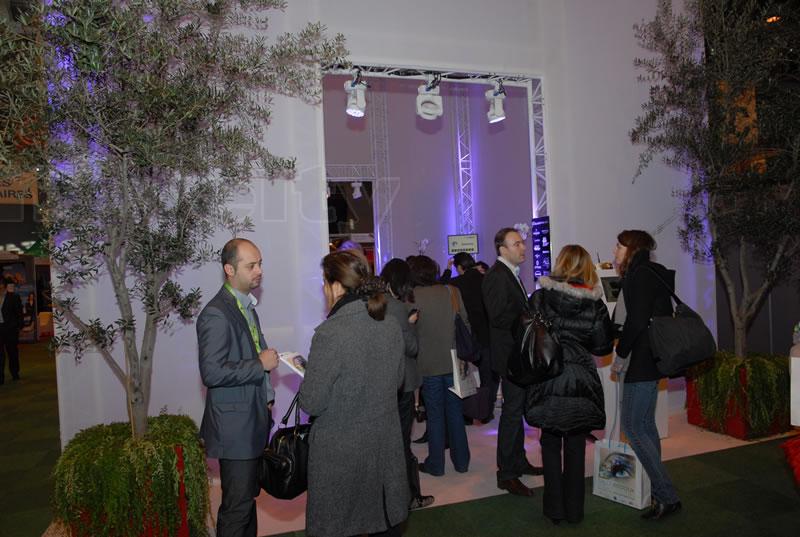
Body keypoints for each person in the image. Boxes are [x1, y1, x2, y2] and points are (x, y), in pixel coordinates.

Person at [300, 251, 409, 537]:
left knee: (338, 524)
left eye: (325, 283)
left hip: (341, 454)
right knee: (381, 521)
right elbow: (398, 381)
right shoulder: (390, 324)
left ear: (336, 286)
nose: (324, 291)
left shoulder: (331, 333)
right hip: (382, 446)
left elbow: (312, 402)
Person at [197, 238, 279, 537]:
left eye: (260, 264)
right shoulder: (217, 313)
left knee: (246, 502)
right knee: (237, 507)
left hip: (251, 420)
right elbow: (212, 372)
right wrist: (260, 364)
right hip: (236, 428)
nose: (259, 271)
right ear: (229, 270)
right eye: (251, 265)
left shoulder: (244, 306)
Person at [526, 245, 613, 524]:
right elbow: (602, 347)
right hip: (580, 377)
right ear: (586, 267)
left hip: (547, 375)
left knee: (550, 443)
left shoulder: (540, 298)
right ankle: (574, 511)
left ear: (560, 263)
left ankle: (554, 510)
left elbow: (527, 336)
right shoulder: (595, 304)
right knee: (576, 445)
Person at [611, 229, 682, 520]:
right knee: (645, 426)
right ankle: (659, 493)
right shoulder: (655, 272)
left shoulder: (638, 275)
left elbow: (637, 321)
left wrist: (621, 353)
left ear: (631, 249)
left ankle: (666, 495)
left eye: (619, 246)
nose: (615, 251)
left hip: (640, 361)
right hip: (654, 359)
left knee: (632, 427)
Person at [482, 227, 542, 497]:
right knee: (512, 413)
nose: (523, 247)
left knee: (516, 411)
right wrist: (528, 316)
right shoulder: (497, 276)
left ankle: (518, 461)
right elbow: (497, 316)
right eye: (516, 244)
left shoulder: (509, 273)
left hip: (515, 355)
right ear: (502, 249)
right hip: (509, 357)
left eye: (522, 243)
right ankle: (506, 474)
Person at [379, 258, 435, 510]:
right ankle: (408, 496)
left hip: (383, 382)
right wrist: (411, 325)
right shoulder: (398, 309)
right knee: (402, 443)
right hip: (402, 382)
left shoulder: (374, 304)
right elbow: (410, 347)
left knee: (388, 442)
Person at [408, 255, 471, 476]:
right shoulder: (451, 291)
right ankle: (462, 462)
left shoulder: (412, 296)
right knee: (455, 413)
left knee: (434, 416)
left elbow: (409, 332)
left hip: (427, 364)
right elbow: (465, 324)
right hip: (454, 361)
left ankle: (436, 464)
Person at [449, 252, 497, 424]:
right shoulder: (486, 279)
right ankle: (486, 412)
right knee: (488, 375)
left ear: (459, 267)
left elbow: (441, 284)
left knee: (464, 376)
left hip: (465, 336)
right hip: (487, 334)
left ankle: (467, 414)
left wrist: (447, 270)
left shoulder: (456, 283)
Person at [0, 277, 24, 384]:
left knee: (12, 352)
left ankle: (15, 373)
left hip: (10, 329)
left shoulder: (14, 297)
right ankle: (1, 377)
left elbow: (19, 313)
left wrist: (19, 327)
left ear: (3, 285)